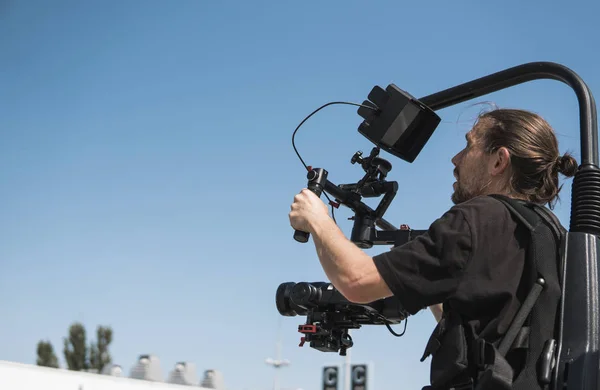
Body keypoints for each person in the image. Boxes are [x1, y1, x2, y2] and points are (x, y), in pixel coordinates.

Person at [288, 108, 578, 389]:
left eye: (469, 146)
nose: (456, 159)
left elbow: (357, 281)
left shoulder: (477, 216)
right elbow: (492, 335)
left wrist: (318, 219)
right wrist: (423, 281)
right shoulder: (551, 233)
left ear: (499, 161)